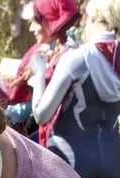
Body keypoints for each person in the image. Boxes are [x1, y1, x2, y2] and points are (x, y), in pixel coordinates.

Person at [30, 0, 120, 178]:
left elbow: (41, 114)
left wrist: (39, 72)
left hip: (71, 160)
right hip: (112, 164)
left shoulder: (78, 58)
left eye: (88, 17)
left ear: (96, 19)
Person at [8, 0, 81, 146]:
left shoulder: (69, 57)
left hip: (65, 145)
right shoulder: (49, 51)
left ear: (50, 20)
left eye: (35, 22)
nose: (31, 28)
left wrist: (9, 113)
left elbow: (41, 112)